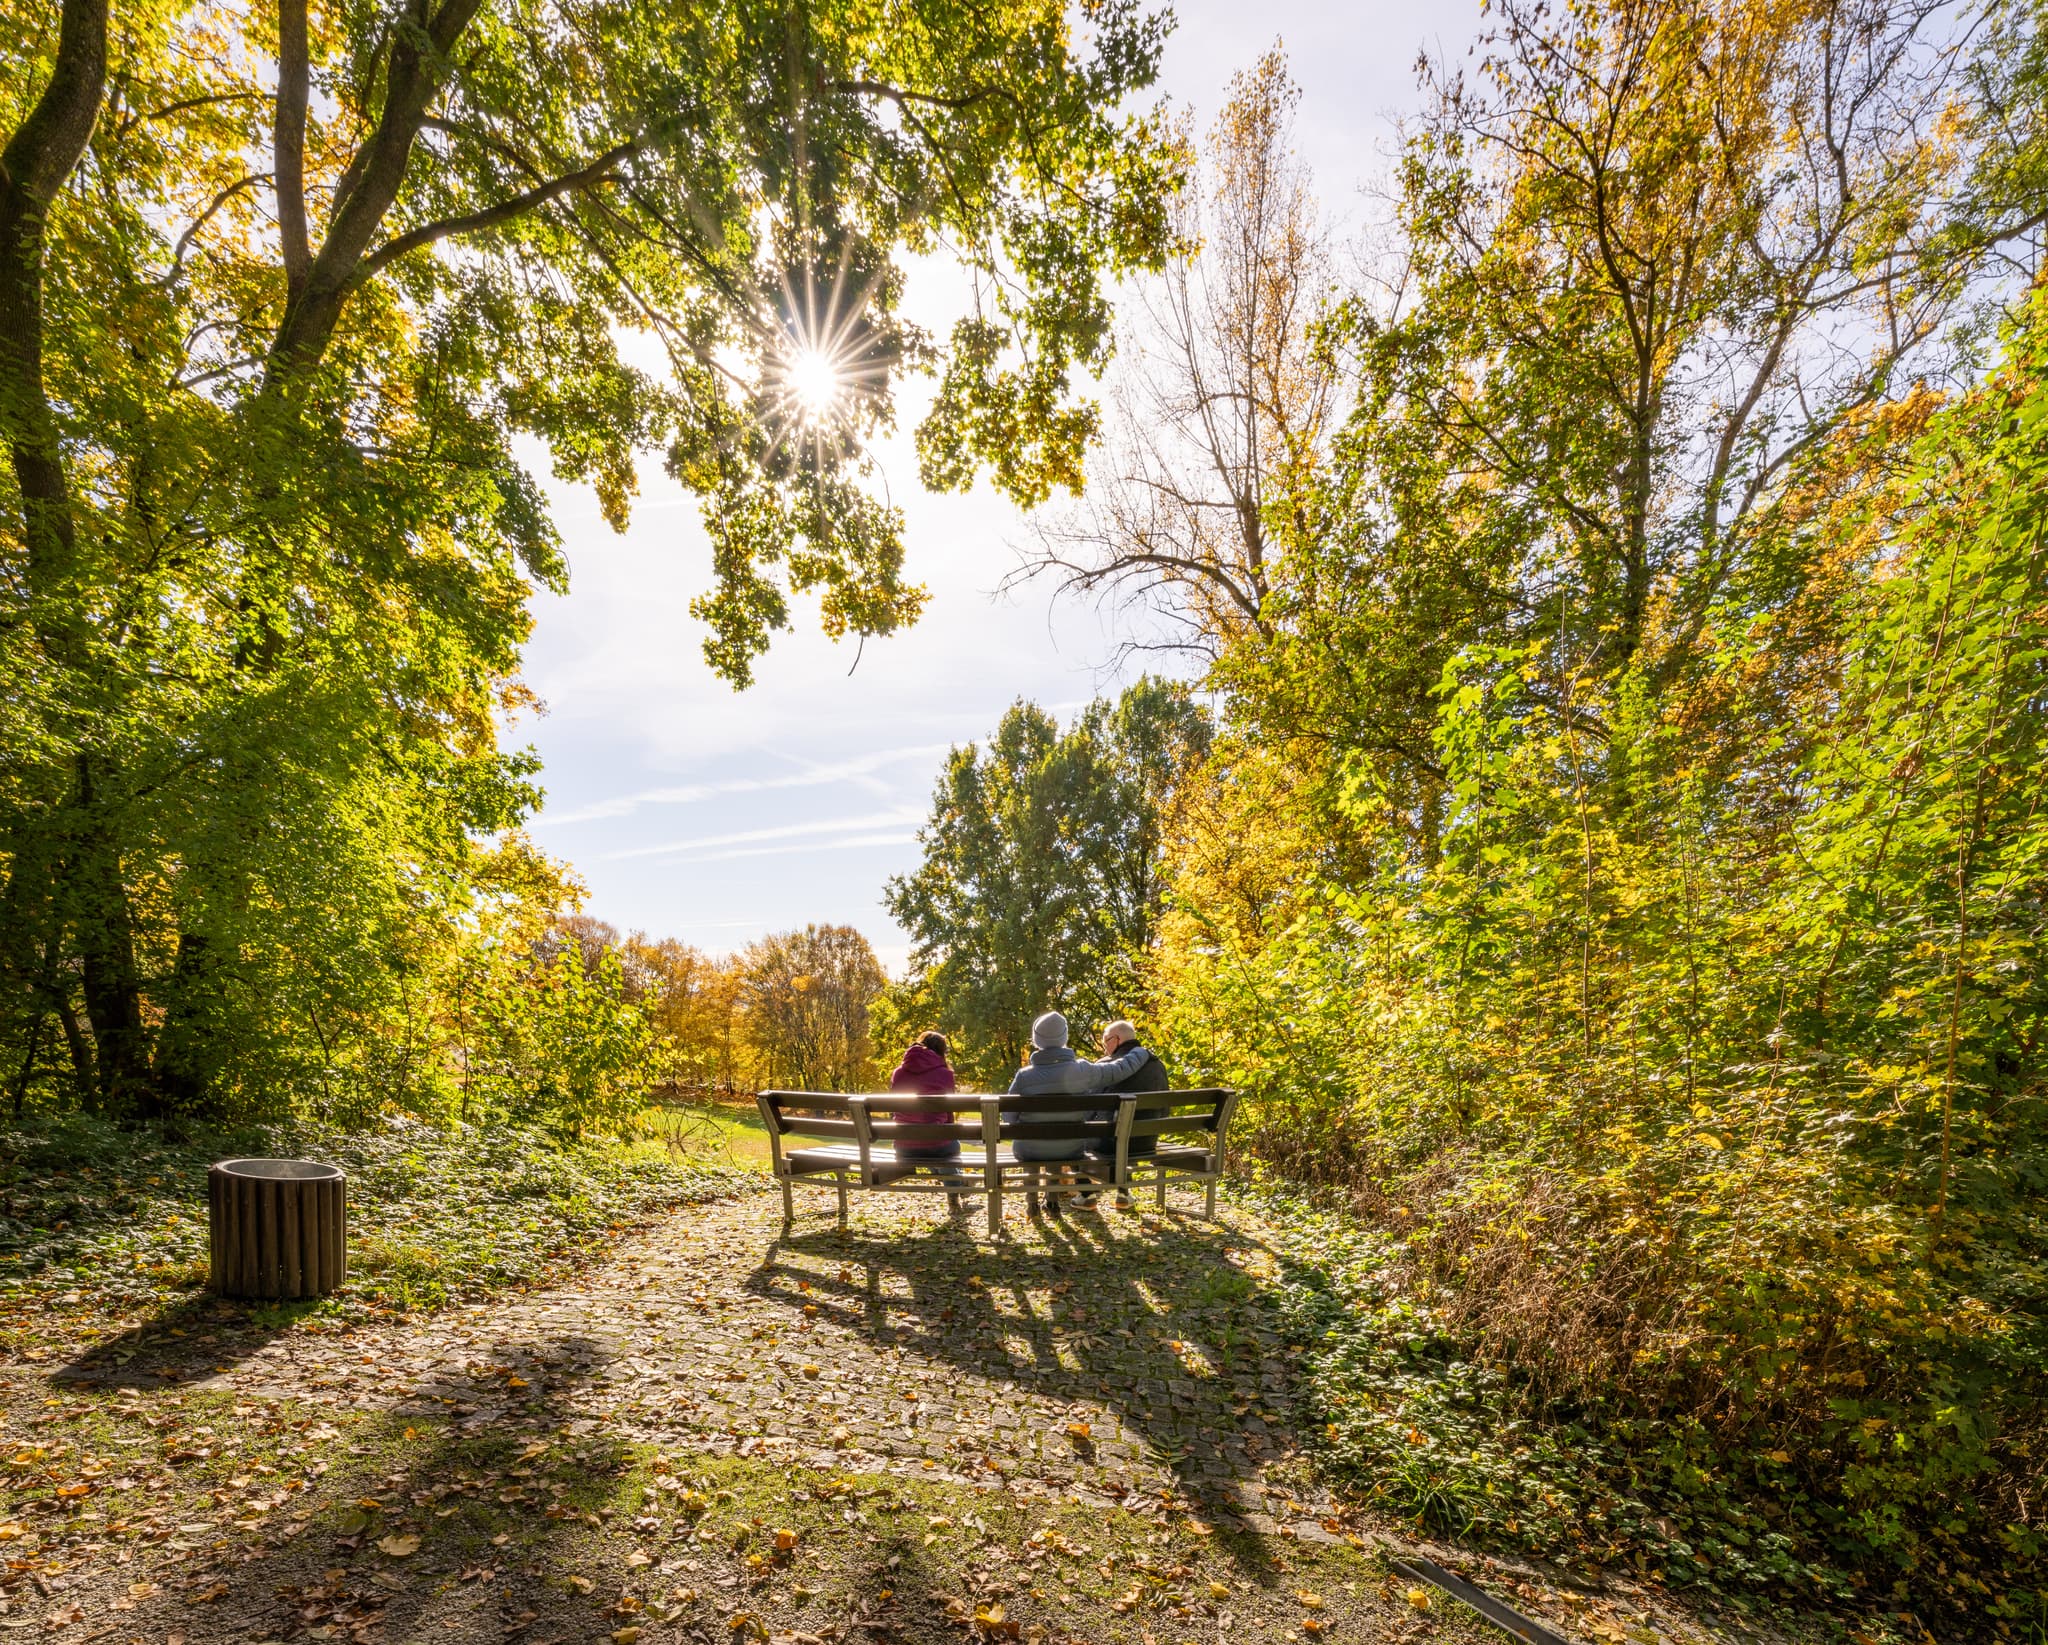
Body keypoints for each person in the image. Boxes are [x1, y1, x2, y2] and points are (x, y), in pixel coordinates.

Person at [1006, 1011, 1151, 1216]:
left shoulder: (1024, 1076)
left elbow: (1008, 1117)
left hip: (1029, 1149)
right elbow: (1119, 1069)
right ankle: (1052, 1201)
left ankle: (1032, 1204)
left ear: (1036, 1040)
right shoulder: (1082, 1070)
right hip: (1070, 1149)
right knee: (1059, 1145)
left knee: (1033, 1143)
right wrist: (1140, 1051)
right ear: (1064, 1037)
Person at [1083, 1019, 1170, 1210]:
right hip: (1146, 1142)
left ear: (1117, 1039)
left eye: (1106, 1041)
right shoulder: (1158, 1065)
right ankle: (1123, 1194)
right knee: (1124, 1130)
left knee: (1075, 1139)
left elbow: (1088, 1110)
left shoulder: (1106, 1066)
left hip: (1110, 1145)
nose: (1105, 1047)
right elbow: (1165, 1110)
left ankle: (1086, 1194)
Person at [888, 1031, 970, 1211]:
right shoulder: (945, 1074)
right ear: (941, 1052)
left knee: (937, 1148)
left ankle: (961, 1184)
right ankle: (956, 1194)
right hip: (937, 1145)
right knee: (947, 1148)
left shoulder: (898, 1073)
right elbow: (948, 1114)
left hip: (903, 1147)